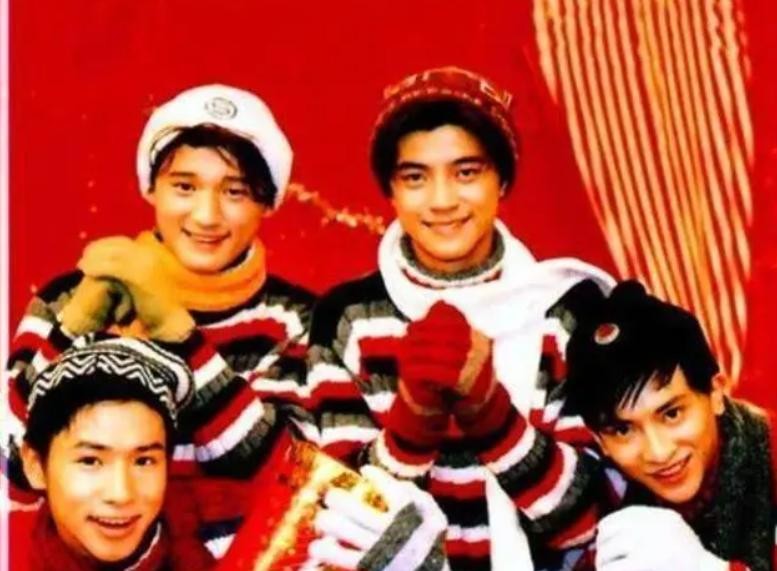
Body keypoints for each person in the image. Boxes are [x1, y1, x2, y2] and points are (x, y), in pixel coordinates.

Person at [305, 66, 614, 570]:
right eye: (415, 177)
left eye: (466, 172)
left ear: (502, 179)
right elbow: (341, 521)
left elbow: (588, 523)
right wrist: (412, 423)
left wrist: (489, 410)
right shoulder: (348, 319)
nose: (443, 200)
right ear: (390, 189)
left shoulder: (565, 307)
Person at [4, 84, 317, 507]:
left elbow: (294, 480)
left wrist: (179, 335)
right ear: (151, 188)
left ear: (268, 203)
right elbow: (13, 466)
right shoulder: (69, 298)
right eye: (184, 187)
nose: (207, 216)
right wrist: (73, 329)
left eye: (235, 191)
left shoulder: (299, 321)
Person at [19, 336, 450, 571]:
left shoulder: (241, 529)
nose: (121, 493)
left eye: (144, 460)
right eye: (90, 461)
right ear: (36, 465)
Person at [559, 280, 777, 571]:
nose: (658, 452)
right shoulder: (620, 512)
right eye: (623, 430)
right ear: (600, 442)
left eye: (672, 414)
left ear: (716, 394)